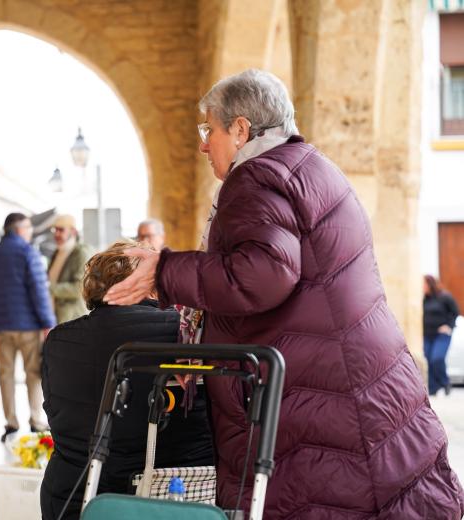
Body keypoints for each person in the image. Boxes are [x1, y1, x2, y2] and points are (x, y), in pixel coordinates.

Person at [104, 69, 464, 518]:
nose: (202, 144)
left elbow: (264, 274)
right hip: (351, 388)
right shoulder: (310, 168)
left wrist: (167, 270)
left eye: (208, 129)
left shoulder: (255, 177)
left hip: (323, 401)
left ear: (240, 129)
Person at [40, 241, 214, 520]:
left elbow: (56, 413)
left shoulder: (59, 339)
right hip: (168, 495)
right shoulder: (181, 335)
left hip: (73, 493)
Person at [0, 212, 56, 441]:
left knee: (5, 374)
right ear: (19, 229)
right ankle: (36, 420)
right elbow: (39, 290)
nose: (30, 232)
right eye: (29, 228)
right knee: (33, 373)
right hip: (29, 326)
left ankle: (11, 422)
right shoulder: (28, 253)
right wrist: (48, 323)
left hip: (2, 325)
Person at [48, 214, 92, 324]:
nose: (56, 234)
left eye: (61, 230)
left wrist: (48, 287)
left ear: (73, 231)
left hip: (73, 320)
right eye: (55, 230)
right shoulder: (57, 253)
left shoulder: (81, 253)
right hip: (57, 318)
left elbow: (79, 288)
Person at [423, 274, 460, 396]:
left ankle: (445, 382)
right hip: (428, 335)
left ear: (430, 284)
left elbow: (455, 312)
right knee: (429, 359)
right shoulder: (424, 299)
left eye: (423, 284)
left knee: (437, 358)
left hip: (442, 335)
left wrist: (449, 326)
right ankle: (433, 388)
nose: (421, 287)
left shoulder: (445, 297)